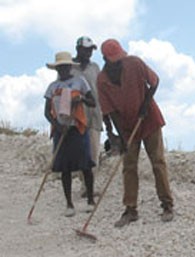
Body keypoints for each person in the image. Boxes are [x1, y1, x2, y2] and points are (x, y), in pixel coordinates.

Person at [97, 39, 174, 228]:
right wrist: (121, 136)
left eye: (119, 59)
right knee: (128, 167)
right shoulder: (102, 81)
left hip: (149, 120)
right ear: (105, 59)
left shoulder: (135, 63)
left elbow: (154, 82)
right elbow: (110, 111)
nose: (117, 63)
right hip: (127, 126)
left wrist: (146, 104)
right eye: (113, 60)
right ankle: (130, 210)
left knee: (157, 162)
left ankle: (167, 204)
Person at [44, 51, 96, 217]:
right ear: (57, 69)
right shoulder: (53, 87)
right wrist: (57, 125)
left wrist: (80, 99)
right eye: (60, 67)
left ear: (70, 67)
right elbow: (47, 112)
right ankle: (69, 204)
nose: (63, 70)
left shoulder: (79, 82)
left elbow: (92, 102)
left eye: (66, 66)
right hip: (61, 130)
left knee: (85, 165)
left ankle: (90, 200)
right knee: (64, 167)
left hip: (78, 128)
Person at [70, 36, 103, 197]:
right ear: (78, 49)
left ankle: (90, 186)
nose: (89, 53)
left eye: (91, 50)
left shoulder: (95, 67)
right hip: (76, 115)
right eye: (86, 49)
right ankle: (84, 185)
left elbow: (101, 90)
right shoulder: (69, 68)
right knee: (80, 151)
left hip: (95, 114)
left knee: (94, 151)